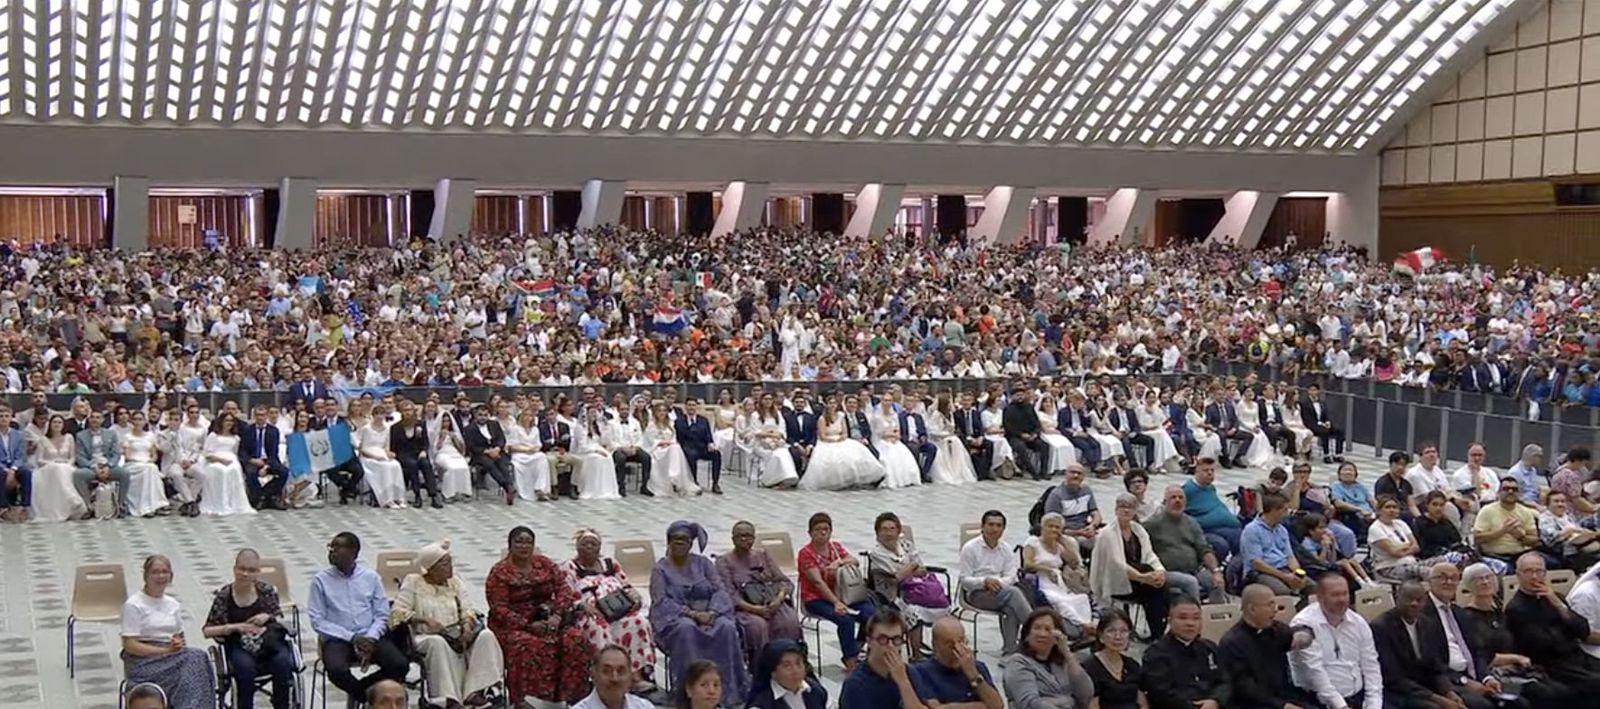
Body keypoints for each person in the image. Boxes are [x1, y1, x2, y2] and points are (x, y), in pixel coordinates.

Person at [486, 525, 595, 705]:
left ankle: (572, 699)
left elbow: (564, 589)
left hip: (548, 619)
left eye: (528, 542)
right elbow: (499, 608)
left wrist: (557, 615)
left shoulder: (544, 564)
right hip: (513, 625)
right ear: (510, 545)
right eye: (519, 542)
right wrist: (528, 625)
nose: (524, 546)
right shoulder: (500, 572)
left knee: (575, 639)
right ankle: (527, 702)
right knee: (528, 646)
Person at [392, 539, 505, 708]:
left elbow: (468, 609)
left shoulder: (455, 582)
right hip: (426, 635)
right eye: (445, 564)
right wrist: (424, 619)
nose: (450, 567)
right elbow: (397, 612)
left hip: (455, 632)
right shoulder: (413, 582)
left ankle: (476, 691)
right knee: (437, 643)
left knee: (486, 636)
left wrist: (467, 625)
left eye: (451, 562)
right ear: (431, 567)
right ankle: (448, 699)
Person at [650, 520, 749, 705]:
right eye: (676, 539)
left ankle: (728, 691)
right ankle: (688, 694)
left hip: (710, 613)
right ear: (669, 542)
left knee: (726, 627)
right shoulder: (660, 569)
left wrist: (713, 612)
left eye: (684, 540)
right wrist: (693, 614)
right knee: (686, 630)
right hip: (679, 618)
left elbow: (720, 590)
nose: (680, 543)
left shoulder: (703, 564)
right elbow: (661, 601)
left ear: (691, 544)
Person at [307, 532, 409, 698]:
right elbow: (317, 620)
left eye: (337, 547)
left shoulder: (371, 577)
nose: (332, 551)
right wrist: (352, 638)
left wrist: (371, 637)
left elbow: (382, 614)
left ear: (353, 552)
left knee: (399, 665)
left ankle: (365, 690)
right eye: (331, 547)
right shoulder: (320, 580)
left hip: (370, 635)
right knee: (336, 670)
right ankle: (364, 697)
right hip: (338, 638)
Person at [564, 528, 657, 691]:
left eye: (593, 544)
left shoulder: (610, 563)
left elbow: (627, 586)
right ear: (577, 547)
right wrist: (582, 605)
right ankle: (606, 677)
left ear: (599, 547)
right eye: (584, 544)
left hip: (617, 609)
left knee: (639, 621)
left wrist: (635, 598)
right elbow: (565, 595)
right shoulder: (570, 566)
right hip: (590, 614)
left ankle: (635, 676)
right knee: (599, 627)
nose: (589, 547)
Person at [201, 549, 296, 709]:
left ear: (258, 572)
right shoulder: (225, 596)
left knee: (282, 662)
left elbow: (277, 615)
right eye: (242, 569)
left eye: (251, 570)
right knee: (245, 669)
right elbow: (207, 630)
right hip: (239, 644)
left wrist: (266, 616)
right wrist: (236, 627)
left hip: (268, 642)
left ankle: (282, 705)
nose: (245, 574)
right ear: (234, 569)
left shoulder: (266, 591)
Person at [1420, 563, 1524, 709]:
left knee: (1519, 702)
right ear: (1429, 582)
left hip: (1472, 676)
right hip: (1444, 681)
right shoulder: (1421, 614)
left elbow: (1477, 652)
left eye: (1453, 578)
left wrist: (1487, 678)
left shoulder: (1460, 613)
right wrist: (1463, 680)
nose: (1448, 582)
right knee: (1483, 706)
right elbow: (1430, 661)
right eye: (1442, 577)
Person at [121, 555, 217, 709]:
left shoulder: (173, 604)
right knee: (195, 658)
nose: (160, 576)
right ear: (146, 575)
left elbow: (180, 637)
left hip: (170, 657)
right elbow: (130, 645)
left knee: (197, 662)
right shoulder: (134, 605)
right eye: (155, 572)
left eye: (165, 572)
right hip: (143, 661)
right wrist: (164, 651)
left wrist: (177, 643)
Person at [1370, 581, 1483, 709]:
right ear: (1397, 598)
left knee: (1478, 703)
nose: (1414, 603)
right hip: (1397, 691)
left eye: (1419, 600)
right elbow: (1392, 677)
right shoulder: (1381, 627)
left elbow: (1436, 667)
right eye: (1408, 599)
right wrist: (1438, 699)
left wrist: (1449, 693)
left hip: (1426, 686)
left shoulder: (1428, 624)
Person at [1505, 552, 1600, 697]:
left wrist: (1558, 605)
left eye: (1539, 571)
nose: (1534, 576)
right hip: (1552, 665)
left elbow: (1583, 630)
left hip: (1577, 657)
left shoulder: (1554, 598)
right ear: (1518, 575)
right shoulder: (1515, 608)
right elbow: (1542, 644)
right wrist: (1567, 633)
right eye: (1528, 571)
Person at [1289, 573, 1383, 709]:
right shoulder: (1303, 625)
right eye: (1335, 595)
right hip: (1317, 700)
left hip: (1357, 697)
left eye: (1345, 594)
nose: (1342, 599)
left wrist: (1374, 703)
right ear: (1319, 597)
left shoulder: (1358, 622)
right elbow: (1314, 671)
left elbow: (1371, 665)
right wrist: (1341, 706)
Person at [1217, 584, 1319, 709]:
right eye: (1270, 604)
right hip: (1253, 703)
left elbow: (1296, 633)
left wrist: (1304, 634)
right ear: (1252, 609)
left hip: (1283, 695)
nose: (1275, 609)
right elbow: (1243, 686)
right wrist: (1282, 705)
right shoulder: (1231, 642)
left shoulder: (1275, 629)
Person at [798, 511, 876, 670]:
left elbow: (853, 561)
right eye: (818, 529)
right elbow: (817, 582)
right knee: (845, 619)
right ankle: (850, 660)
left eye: (826, 529)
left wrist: (839, 563)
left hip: (843, 594)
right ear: (810, 532)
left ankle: (864, 649)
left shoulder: (835, 547)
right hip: (816, 598)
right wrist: (836, 603)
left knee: (870, 613)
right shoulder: (806, 554)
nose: (823, 533)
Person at [867, 512, 951, 660]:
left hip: (916, 590)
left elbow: (921, 569)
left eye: (892, 529)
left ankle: (942, 649)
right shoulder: (876, 553)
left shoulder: (906, 545)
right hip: (892, 596)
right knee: (913, 613)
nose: (888, 533)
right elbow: (895, 577)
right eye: (884, 529)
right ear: (877, 533)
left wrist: (907, 571)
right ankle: (916, 654)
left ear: (898, 531)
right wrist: (911, 567)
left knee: (945, 607)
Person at [715, 520, 802, 660]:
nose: (744, 539)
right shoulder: (723, 561)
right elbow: (728, 594)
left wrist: (779, 598)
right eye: (740, 536)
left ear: (754, 538)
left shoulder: (763, 555)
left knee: (789, 621)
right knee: (758, 626)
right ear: (733, 539)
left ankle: (787, 662)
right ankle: (760, 665)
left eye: (748, 536)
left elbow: (784, 581)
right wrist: (755, 609)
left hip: (772, 603)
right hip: (744, 608)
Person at [1090, 493, 1173, 638]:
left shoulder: (1138, 530)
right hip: (1116, 581)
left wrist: (1160, 571)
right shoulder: (1107, 534)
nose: (1126, 510)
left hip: (1141, 579)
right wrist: (1143, 577)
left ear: (1135, 511)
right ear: (1116, 510)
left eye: (1130, 507)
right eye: (1122, 507)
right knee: (1155, 589)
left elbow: (1150, 555)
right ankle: (1158, 631)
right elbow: (1116, 563)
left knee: (1159, 585)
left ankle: (1158, 630)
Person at [958, 509, 1034, 654]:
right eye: (991, 525)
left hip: (1002, 591)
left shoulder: (1006, 549)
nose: (994, 529)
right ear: (983, 527)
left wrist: (998, 583)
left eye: (999, 526)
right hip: (977, 594)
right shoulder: (970, 548)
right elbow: (964, 580)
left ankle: (1010, 651)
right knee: (1014, 593)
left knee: (1010, 607)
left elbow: (1011, 576)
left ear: (1003, 529)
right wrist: (984, 582)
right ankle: (1035, 629)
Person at [1141, 597, 1230, 709]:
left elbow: (1226, 680)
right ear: (1170, 621)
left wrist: (1215, 700)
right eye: (1183, 618)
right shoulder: (1155, 654)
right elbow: (1161, 693)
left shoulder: (1209, 648)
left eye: (1196, 618)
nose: (1190, 623)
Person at [1000, 608, 1095, 709]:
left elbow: (1086, 695)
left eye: (1048, 629)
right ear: (1027, 635)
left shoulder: (1063, 663)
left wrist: (1066, 652)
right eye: (1037, 628)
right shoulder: (1018, 663)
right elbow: (1030, 703)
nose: (1042, 634)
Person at [1144, 485, 1226, 602]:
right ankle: (1195, 612)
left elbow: (1204, 549)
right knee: (1190, 582)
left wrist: (1216, 571)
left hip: (1194, 571)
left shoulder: (1192, 523)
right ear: (1165, 502)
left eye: (1181, 498)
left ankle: (1216, 612)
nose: (1177, 500)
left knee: (1216, 582)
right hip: (1166, 574)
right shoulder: (1152, 524)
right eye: (1173, 497)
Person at [1024, 512, 1097, 639]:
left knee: (1081, 598)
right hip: (1040, 581)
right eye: (1050, 526)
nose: (1053, 529)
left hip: (1058, 583)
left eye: (1057, 527)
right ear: (1043, 527)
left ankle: (1086, 626)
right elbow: (1027, 564)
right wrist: (1047, 570)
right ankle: (1081, 625)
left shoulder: (1058, 546)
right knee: (1060, 602)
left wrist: (1064, 542)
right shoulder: (1033, 542)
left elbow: (1074, 563)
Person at [837, 607, 929, 708]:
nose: (890, 645)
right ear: (869, 641)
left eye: (896, 639)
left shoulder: (909, 673)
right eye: (883, 639)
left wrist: (903, 683)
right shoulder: (856, 683)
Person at [911, 616, 1004, 709]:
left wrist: (974, 675)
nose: (957, 648)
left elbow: (997, 706)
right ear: (935, 645)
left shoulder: (977, 667)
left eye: (961, 642)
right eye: (950, 645)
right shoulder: (922, 671)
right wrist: (982, 706)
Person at [802, 403, 885, 490]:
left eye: (834, 404)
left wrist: (842, 437)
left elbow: (845, 432)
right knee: (832, 460)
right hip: (827, 441)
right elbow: (822, 436)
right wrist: (833, 441)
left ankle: (857, 479)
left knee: (854, 454)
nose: (832, 406)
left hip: (840, 439)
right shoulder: (822, 419)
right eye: (830, 403)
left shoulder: (841, 416)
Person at [1241, 492, 1309, 596]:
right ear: (1273, 510)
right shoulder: (1252, 530)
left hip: (1284, 568)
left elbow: (1290, 557)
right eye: (1284, 510)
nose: (1287, 513)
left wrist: (1298, 574)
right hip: (1262, 572)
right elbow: (1257, 563)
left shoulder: (1282, 530)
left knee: (1312, 587)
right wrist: (1284, 577)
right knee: (1283, 592)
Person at [73, 408, 129, 517]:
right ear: (89, 419)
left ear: (102, 420)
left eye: (98, 417)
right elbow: (80, 456)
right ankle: (88, 506)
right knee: (78, 475)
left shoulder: (111, 434)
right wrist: (93, 467)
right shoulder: (81, 435)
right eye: (92, 417)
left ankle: (120, 505)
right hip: (91, 466)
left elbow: (116, 454)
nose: (95, 420)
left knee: (125, 474)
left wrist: (108, 466)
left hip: (108, 466)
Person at [1472, 475, 1542, 563]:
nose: (1510, 491)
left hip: (1520, 555)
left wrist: (1521, 537)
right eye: (1506, 489)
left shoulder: (1526, 512)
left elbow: (1535, 541)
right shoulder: (1487, 510)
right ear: (1498, 492)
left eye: (1514, 489)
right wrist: (1503, 530)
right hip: (1493, 556)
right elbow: (1477, 538)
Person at [1083, 610, 1145, 709]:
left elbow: (1143, 703)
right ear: (1101, 636)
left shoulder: (1132, 665)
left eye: (1123, 631)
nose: (1118, 636)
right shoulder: (1090, 667)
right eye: (1111, 631)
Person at [1183, 458, 1242, 560]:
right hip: (1207, 529)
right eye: (1206, 470)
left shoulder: (1210, 488)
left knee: (1243, 537)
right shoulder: (1187, 490)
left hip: (1224, 526)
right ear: (1197, 471)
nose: (1210, 473)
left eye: (1212, 470)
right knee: (1226, 542)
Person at [744, 638, 828, 709]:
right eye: (787, 666)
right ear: (773, 672)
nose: (795, 670)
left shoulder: (817, 691)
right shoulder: (762, 704)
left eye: (798, 663)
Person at [389, 400, 442, 509]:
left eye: (410, 410)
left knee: (426, 464)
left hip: (418, 452)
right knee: (412, 465)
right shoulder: (395, 428)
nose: (408, 413)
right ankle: (417, 495)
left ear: (414, 411)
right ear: (401, 412)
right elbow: (393, 446)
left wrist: (424, 451)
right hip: (404, 454)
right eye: (405, 410)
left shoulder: (420, 424)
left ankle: (433, 495)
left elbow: (425, 442)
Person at [199, 413, 255, 516]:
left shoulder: (236, 438)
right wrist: (221, 460)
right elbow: (207, 454)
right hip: (214, 460)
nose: (229, 423)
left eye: (231, 421)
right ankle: (219, 503)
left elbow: (236, 452)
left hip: (231, 460)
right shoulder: (213, 436)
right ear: (221, 422)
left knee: (234, 469)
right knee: (221, 470)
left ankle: (233, 503)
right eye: (226, 420)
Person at [1044, 464, 1102, 559]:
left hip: (1084, 529)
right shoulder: (1056, 495)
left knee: (1107, 539)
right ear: (1066, 474)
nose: (1076, 475)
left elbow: (1096, 513)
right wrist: (1078, 532)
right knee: (1072, 543)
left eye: (1079, 473)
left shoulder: (1086, 491)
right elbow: (1052, 526)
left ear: (1083, 477)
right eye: (1072, 472)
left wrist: (1092, 526)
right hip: (1065, 533)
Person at [571, 645, 656, 709]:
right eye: (607, 671)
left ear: (630, 676)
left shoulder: (644, 706)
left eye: (621, 671)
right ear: (593, 675)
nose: (615, 678)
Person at [355, 405, 407, 508]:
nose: (379, 416)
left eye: (381, 414)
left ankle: (398, 497)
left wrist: (389, 454)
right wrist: (374, 456)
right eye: (377, 414)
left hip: (382, 454)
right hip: (368, 457)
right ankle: (387, 498)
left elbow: (386, 447)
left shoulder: (387, 428)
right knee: (385, 467)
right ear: (373, 415)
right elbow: (362, 449)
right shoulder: (366, 429)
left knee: (396, 465)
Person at [464, 405, 517, 505]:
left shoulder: (494, 424)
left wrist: (497, 448)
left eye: (485, 415)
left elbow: (501, 439)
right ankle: (507, 486)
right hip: (480, 454)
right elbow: (471, 446)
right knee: (489, 464)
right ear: (475, 415)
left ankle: (509, 487)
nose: (483, 417)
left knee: (503, 463)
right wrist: (487, 452)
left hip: (497, 450)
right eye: (480, 415)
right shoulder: (469, 429)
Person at [238, 406, 288, 510]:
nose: (260, 417)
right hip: (253, 460)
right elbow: (242, 451)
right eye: (258, 415)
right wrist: (252, 460)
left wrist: (266, 466)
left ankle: (264, 495)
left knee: (284, 472)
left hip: (269, 460)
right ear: (254, 416)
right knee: (251, 473)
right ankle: (260, 499)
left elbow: (274, 452)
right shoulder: (247, 430)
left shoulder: (273, 431)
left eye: (263, 415)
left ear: (267, 416)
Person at [1367, 494, 1427, 583]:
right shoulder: (1375, 528)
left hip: (1412, 563)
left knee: (1441, 562)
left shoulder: (1401, 523)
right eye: (1387, 507)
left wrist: (1400, 548)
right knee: (1430, 572)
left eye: (1394, 507)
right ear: (1379, 510)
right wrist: (1408, 545)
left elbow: (1416, 547)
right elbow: (1394, 552)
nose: (1392, 510)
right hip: (1389, 567)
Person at [646, 403, 701, 496]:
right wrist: (662, 443)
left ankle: (675, 478)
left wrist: (670, 443)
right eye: (659, 411)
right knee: (675, 449)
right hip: (657, 450)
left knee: (676, 448)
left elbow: (674, 437)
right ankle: (674, 477)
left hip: (669, 448)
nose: (662, 413)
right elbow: (650, 440)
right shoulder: (651, 425)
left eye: (664, 411)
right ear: (655, 413)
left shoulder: (670, 424)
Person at [121, 410, 167, 518]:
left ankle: (155, 504)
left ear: (144, 421)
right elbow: (127, 456)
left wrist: (151, 460)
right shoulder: (127, 437)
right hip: (133, 464)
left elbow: (154, 455)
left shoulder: (150, 436)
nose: (138, 422)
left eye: (140, 419)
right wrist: (140, 461)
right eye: (135, 419)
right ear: (132, 421)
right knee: (149, 469)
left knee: (152, 468)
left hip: (148, 463)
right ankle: (147, 506)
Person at [872, 397, 924, 489]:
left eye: (889, 401)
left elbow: (898, 430)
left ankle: (907, 478)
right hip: (883, 441)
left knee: (903, 453)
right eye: (885, 400)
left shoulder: (895, 416)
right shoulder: (877, 417)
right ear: (882, 402)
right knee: (889, 454)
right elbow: (879, 433)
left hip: (895, 440)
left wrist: (895, 437)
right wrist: (890, 436)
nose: (887, 403)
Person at [926, 393, 978, 485]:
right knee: (952, 441)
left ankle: (957, 470)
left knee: (956, 441)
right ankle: (948, 471)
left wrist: (950, 434)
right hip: (938, 441)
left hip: (949, 438)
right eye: (949, 402)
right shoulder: (936, 415)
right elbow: (933, 431)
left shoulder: (950, 414)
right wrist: (946, 435)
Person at [1004, 387, 1054, 481]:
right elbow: (1008, 427)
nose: (1020, 397)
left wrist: (1035, 434)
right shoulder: (1008, 409)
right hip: (1016, 437)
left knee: (1044, 446)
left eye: (1021, 395)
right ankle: (1033, 472)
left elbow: (1037, 423)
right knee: (1020, 448)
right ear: (1013, 397)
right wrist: (1021, 435)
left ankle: (1044, 472)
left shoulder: (1029, 407)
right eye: (1017, 395)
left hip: (1031, 436)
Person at [676, 399, 724, 494]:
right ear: (685, 407)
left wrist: (710, 443)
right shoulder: (679, 421)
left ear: (696, 407)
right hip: (687, 447)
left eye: (693, 405)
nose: (691, 407)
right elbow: (680, 436)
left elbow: (708, 435)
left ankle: (715, 483)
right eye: (689, 405)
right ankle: (693, 481)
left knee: (716, 454)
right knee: (691, 455)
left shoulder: (703, 420)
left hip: (702, 447)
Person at [430, 410, 474, 502]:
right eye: (444, 421)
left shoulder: (454, 432)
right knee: (451, 468)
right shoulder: (436, 432)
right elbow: (434, 449)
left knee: (464, 467)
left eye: (448, 421)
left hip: (454, 453)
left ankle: (464, 492)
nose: (446, 423)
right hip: (442, 453)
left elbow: (461, 449)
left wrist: (455, 438)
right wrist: (442, 438)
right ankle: (448, 494)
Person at [1300, 384, 1345, 463]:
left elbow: (1326, 415)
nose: (1313, 392)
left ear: (1318, 391)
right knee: (1324, 432)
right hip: (1312, 425)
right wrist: (1321, 424)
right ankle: (1326, 455)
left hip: (1322, 423)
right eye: (1311, 390)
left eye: (1315, 390)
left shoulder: (1322, 402)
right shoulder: (1304, 403)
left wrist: (1327, 422)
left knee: (1340, 431)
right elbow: (1308, 419)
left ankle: (1338, 454)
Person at [0, 406, 30, 522]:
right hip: (1, 466)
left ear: (10, 418)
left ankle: (25, 506)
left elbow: (21, 455)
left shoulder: (19, 435)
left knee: (26, 472)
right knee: (1, 474)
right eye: (1, 416)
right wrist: (6, 470)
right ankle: (3, 508)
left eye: (6, 416)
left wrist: (13, 469)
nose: (3, 419)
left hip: (15, 465)